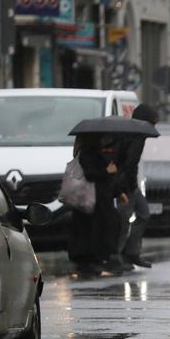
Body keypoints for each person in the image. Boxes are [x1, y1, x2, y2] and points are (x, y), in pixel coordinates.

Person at [69, 134, 127, 276]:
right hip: (91, 200)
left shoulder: (93, 152)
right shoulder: (87, 152)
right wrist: (107, 170)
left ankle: (94, 260)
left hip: (94, 200)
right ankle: (88, 261)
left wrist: (118, 192)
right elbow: (91, 173)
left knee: (96, 229)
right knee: (92, 230)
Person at [116, 104, 159, 269]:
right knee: (123, 220)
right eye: (152, 123)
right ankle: (117, 256)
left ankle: (131, 252)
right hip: (125, 185)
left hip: (129, 184)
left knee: (143, 214)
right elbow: (129, 164)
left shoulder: (138, 135)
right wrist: (127, 188)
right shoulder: (135, 137)